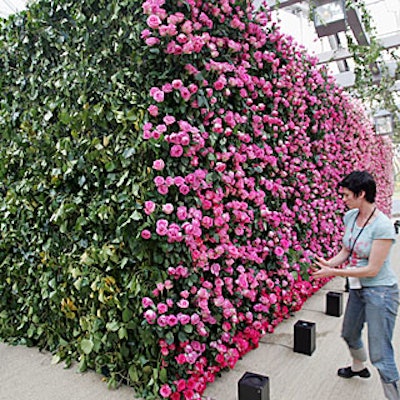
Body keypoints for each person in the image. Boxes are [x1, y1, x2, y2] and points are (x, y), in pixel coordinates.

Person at [312, 170, 399, 400]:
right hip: (359, 287)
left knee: (380, 353)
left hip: (381, 292)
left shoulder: (382, 226)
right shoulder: (350, 217)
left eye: (346, 195)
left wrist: (335, 273)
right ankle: (359, 368)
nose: (343, 199)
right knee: (349, 333)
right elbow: (346, 250)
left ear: (361, 194)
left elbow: (372, 269)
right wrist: (327, 264)